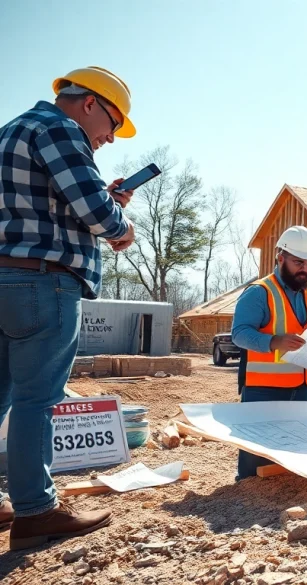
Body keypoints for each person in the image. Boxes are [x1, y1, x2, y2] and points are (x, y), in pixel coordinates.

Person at [0, 67, 139, 550]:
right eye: (114, 124)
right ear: (90, 104)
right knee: (37, 401)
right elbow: (98, 216)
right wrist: (120, 221)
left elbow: (48, 204)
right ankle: (36, 511)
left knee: (2, 398)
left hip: (5, 275)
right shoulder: (60, 129)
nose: (110, 139)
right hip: (44, 283)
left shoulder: (10, 131)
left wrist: (103, 196)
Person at [231, 226, 307, 480]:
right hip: (263, 391)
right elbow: (240, 334)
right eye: (299, 262)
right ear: (280, 258)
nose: (305, 269)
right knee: (255, 461)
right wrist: (274, 341)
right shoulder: (259, 292)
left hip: (304, 389)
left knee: (299, 454)